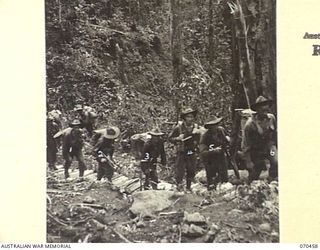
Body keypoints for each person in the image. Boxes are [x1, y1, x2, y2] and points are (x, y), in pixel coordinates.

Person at [242, 96, 278, 183]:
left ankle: (272, 181)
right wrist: (248, 161)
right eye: (262, 110)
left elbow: (275, 134)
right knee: (256, 169)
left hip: (269, 147)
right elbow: (245, 144)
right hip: (256, 150)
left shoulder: (271, 118)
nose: (265, 112)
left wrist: (276, 147)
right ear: (257, 110)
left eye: (267, 109)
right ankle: (249, 185)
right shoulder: (250, 124)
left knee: (276, 161)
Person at [168, 108, 201, 192]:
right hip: (182, 151)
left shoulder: (196, 127)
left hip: (191, 150)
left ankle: (188, 187)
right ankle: (179, 186)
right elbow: (170, 138)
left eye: (192, 116)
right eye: (188, 117)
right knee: (180, 169)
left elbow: (202, 138)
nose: (191, 118)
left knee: (191, 169)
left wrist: (198, 133)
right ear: (184, 118)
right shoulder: (178, 127)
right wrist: (178, 138)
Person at [199, 116, 229, 190]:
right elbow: (203, 152)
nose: (215, 127)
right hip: (210, 160)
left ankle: (223, 190)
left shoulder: (221, 130)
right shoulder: (205, 136)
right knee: (211, 178)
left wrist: (228, 140)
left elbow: (227, 138)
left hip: (221, 157)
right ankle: (211, 192)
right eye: (213, 125)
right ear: (209, 127)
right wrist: (213, 151)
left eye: (216, 124)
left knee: (224, 177)